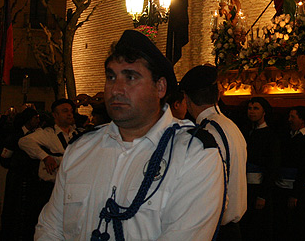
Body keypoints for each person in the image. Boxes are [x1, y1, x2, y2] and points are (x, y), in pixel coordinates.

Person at [36, 30, 225, 240]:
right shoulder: (80, 149)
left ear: (160, 87)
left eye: (131, 77)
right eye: (111, 77)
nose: (116, 89)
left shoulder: (193, 154)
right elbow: (50, 229)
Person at [179, 64, 247, 241]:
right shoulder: (229, 125)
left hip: (218, 229)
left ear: (186, 98)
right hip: (231, 227)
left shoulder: (209, 132)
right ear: (217, 95)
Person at [274, 106, 305, 241]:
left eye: (293, 117)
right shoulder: (287, 136)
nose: (289, 120)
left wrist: (295, 194)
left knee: (298, 226)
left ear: (302, 120)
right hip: (282, 188)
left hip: (298, 192)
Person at [0, 107, 41, 240]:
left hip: (32, 179)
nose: (38, 120)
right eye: (35, 118)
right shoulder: (15, 136)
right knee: (14, 209)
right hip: (17, 179)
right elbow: (4, 159)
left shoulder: (38, 136)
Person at [240, 97, 278, 241]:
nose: (251, 112)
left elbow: (272, 167)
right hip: (245, 187)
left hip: (260, 188)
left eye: (256, 108)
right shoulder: (246, 132)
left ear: (264, 112)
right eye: (249, 108)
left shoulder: (270, 136)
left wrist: (263, 195)